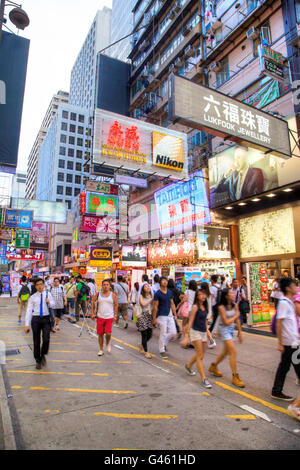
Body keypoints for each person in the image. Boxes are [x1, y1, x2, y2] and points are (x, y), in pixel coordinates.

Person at [208, 288, 245, 388]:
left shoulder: (235, 305)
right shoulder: (221, 307)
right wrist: (236, 315)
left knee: (225, 352)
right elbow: (226, 322)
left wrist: (240, 332)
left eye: (233, 293)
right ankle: (235, 376)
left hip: (231, 330)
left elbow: (237, 320)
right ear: (226, 296)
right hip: (223, 330)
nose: (233, 294)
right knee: (233, 352)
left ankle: (213, 366)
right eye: (231, 293)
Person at [271, 277, 300, 401]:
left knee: (284, 366)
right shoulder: (283, 303)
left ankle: (276, 391)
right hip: (290, 342)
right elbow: (279, 322)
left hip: (292, 340)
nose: (296, 287)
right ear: (288, 288)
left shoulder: (288, 302)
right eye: (294, 285)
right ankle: (277, 391)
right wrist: (280, 343)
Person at [183, 289, 212, 389]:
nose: (203, 296)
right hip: (195, 332)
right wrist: (187, 336)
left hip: (203, 332)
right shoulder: (195, 307)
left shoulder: (205, 307)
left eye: (204, 294)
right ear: (197, 297)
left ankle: (188, 365)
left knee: (201, 355)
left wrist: (210, 336)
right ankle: (204, 379)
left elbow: (205, 323)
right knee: (200, 355)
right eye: (200, 295)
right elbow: (190, 322)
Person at [24, 278, 55, 369]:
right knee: (36, 341)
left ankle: (43, 354)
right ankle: (38, 360)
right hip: (36, 320)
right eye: (37, 285)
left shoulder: (48, 294)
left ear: (44, 285)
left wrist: (49, 302)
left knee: (46, 339)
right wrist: (27, 324)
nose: (40, 286)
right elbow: (29, 311)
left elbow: (53, 305)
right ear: (35, 286)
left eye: (41, 284)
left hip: (46, 319)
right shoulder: (32, 297)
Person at [152, 277, 178, 359]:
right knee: (162, 333)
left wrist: (175, 314)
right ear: (160, 282)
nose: (165, 282)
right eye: (163, 280)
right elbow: (155, 307)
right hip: (161, 315)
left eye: (166, 281)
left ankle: (164, 344)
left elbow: (172, 303)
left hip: (169, 315)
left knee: (174, 332)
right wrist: (154, 318)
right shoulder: (157, 293)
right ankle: (161, 350)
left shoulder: (170, 292)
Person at [91, 279, 118, 357]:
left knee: (108, 333)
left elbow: (116, 305)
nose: (106, 286)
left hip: (109, 317)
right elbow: (93, 303)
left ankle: (107, 342)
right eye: (104, 285)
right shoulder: (98, 294)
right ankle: (101, 349)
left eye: (107, 285)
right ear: (102, 286)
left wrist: (115, 315)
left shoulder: (113, 295)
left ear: (109, 286)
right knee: (100, 334)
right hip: (100, 316)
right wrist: (92, 313)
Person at [137, 283, 154, 359]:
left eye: (148, 286)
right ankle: (146, 352)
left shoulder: (151, 296)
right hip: (142, 315)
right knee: (144, 334)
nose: (147, 287)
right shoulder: (141, 296)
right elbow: (143, 304)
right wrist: (151, 300)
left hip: (149, 316)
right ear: (142, 289)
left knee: (150, 334)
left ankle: (141, 344)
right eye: (145, 286)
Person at [200, 282, 216, 349]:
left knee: (205, 328)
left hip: (205, 313)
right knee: (204, 327)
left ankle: (212, 341)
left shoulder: (204, 295)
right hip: (208, 312)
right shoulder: (209, 295)